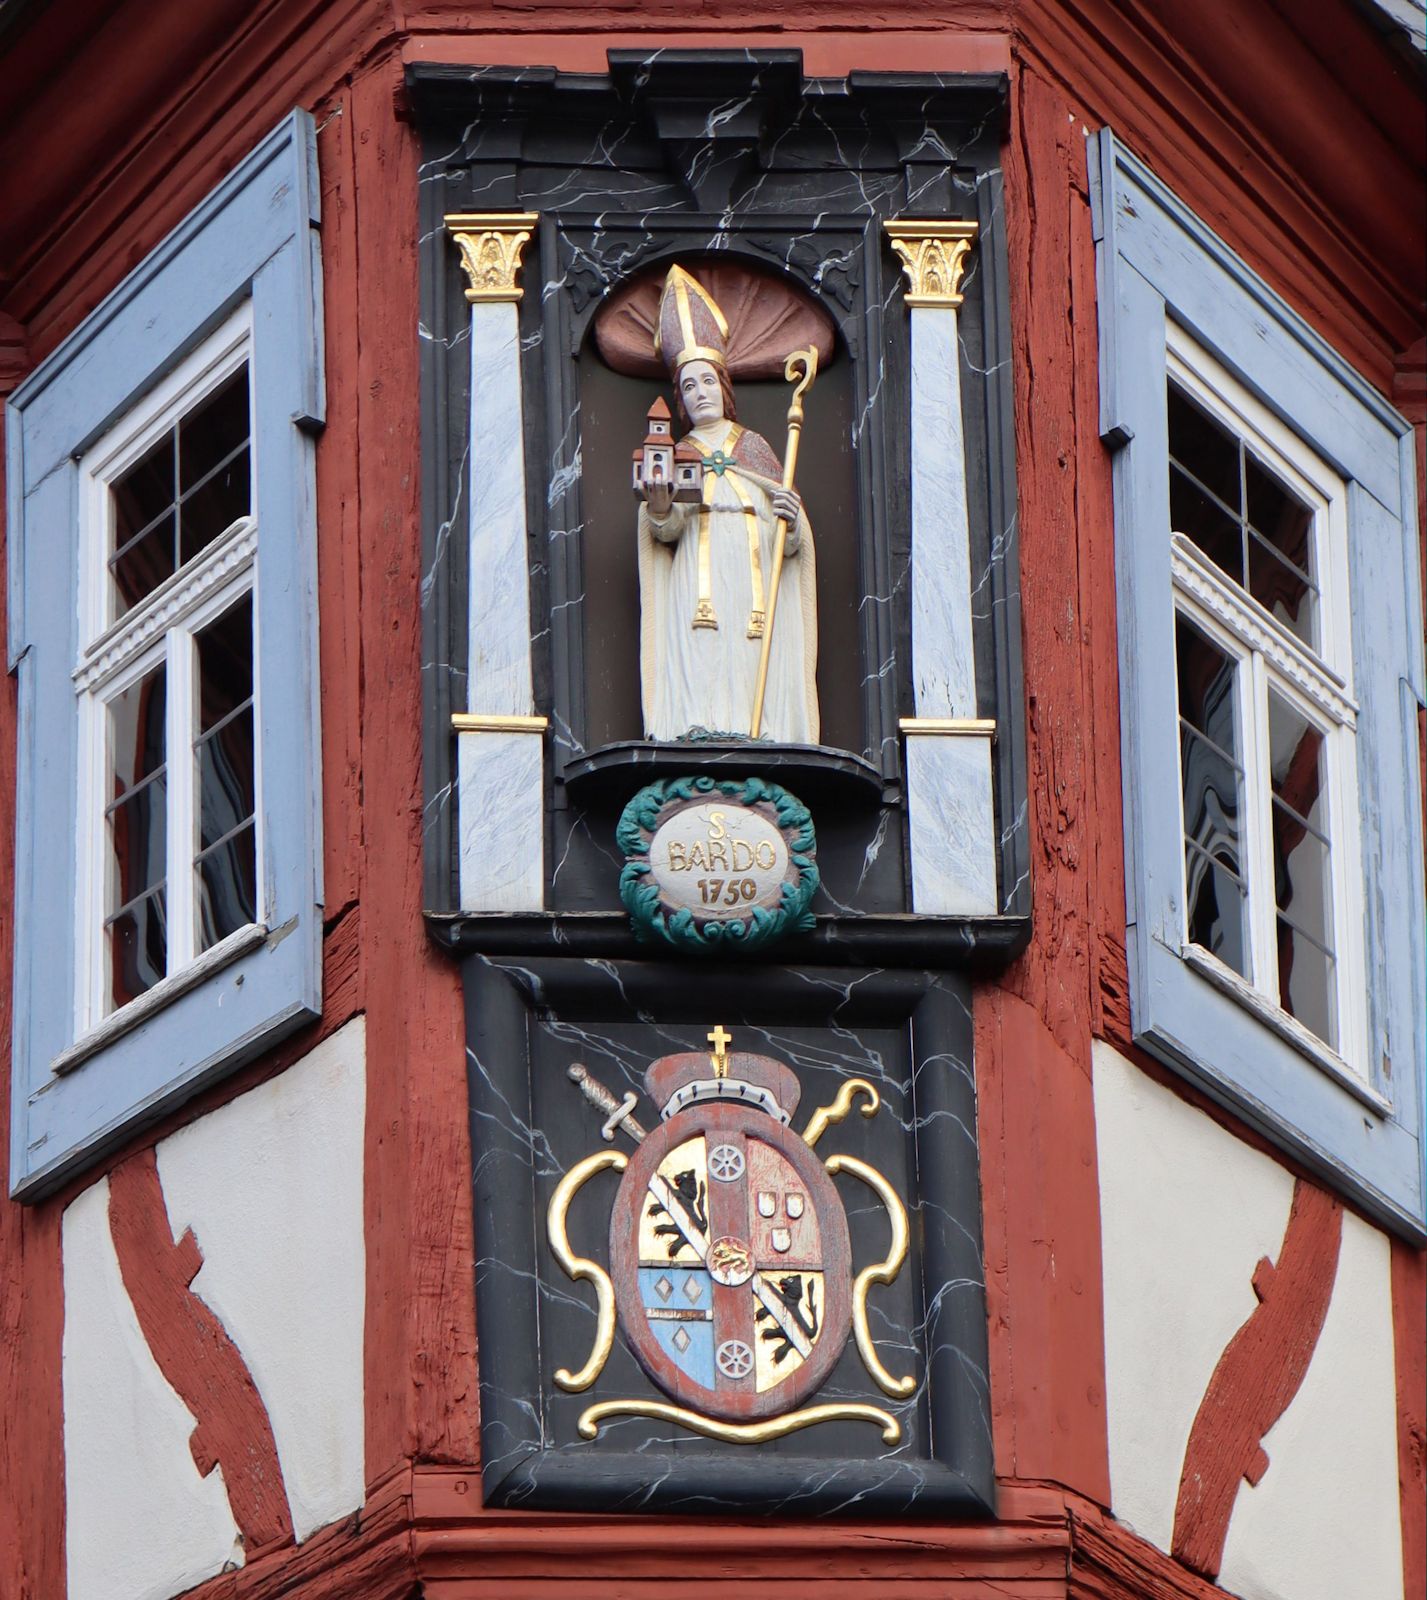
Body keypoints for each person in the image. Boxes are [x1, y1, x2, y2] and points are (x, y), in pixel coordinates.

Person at [637, 265, 819, 744]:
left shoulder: (756, 447)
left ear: (725, 387)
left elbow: (793, 541)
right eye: (689, 387)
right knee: (703, 651)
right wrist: (659, 508)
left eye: (708, 382)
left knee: (750, 650)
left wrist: (790, 517)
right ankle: (698, 729)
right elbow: (666, 529)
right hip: (698, 580)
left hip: (753, 575)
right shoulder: (678, 455)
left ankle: (758, 731)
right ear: (679, 400)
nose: (700, 394)